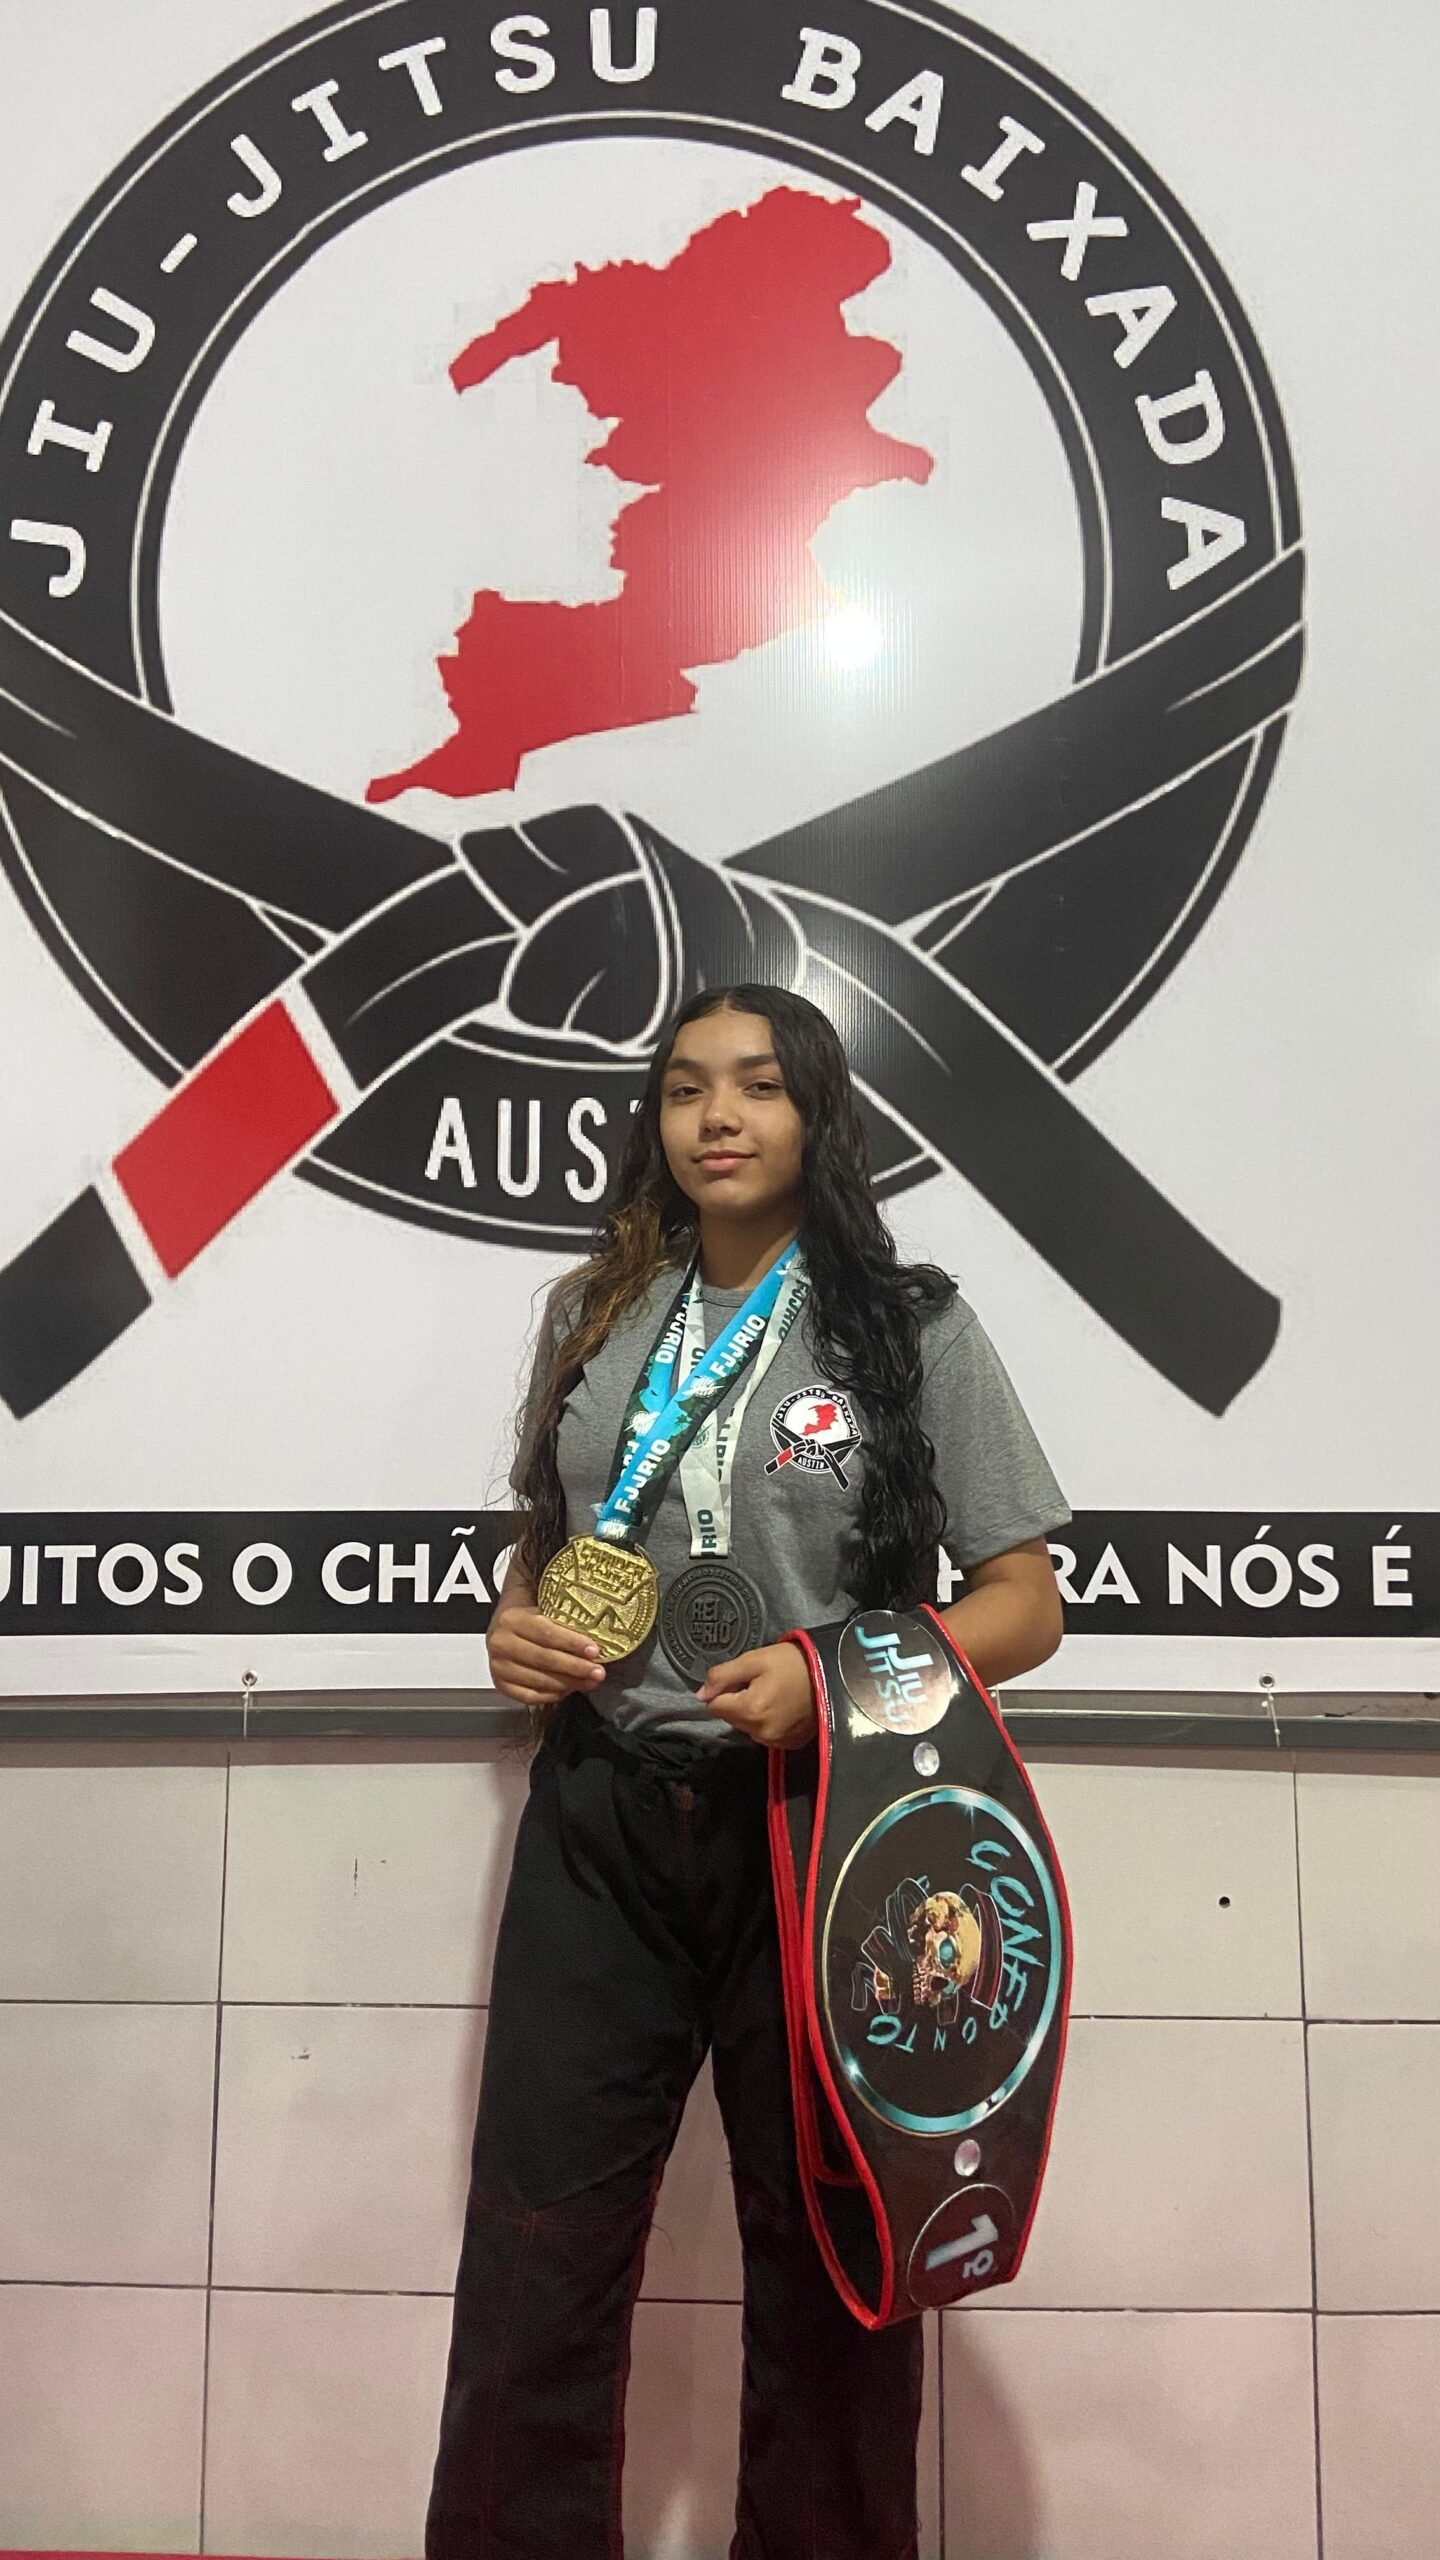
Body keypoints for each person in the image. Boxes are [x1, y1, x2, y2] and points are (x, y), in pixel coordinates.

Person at [427, 984, 1069, 2560]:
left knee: (829, 2253)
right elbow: (556, 1547)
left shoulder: (909, 1328)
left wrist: (832, 1678)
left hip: (823, 1830)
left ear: (817, 1116)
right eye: (684, 1088)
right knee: (535, 2246)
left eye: (760, 1086)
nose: (717, 1115)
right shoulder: (596, 1318)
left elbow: (1025, 1603)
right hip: (599, 1819)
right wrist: (516, 1622)